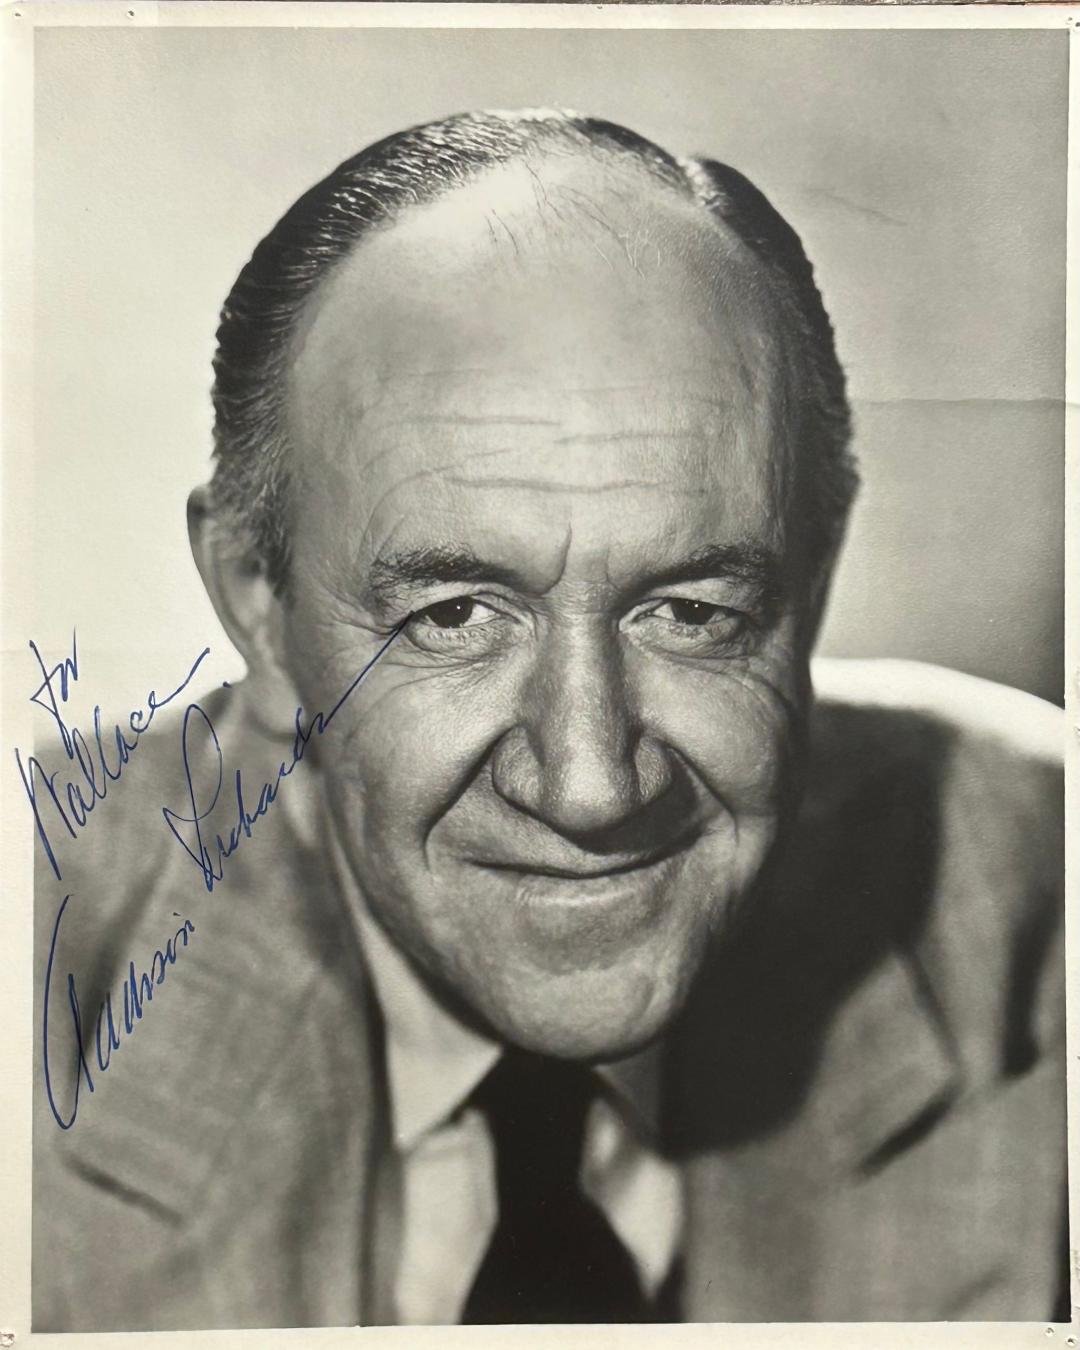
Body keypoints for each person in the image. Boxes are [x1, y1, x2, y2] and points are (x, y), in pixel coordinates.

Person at [32, 109, 1066, 1329]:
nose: (590, 786)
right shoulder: (37, 966)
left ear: (815, 578)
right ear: (259, 602)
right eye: (455, 615)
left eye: (692, 611)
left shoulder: (1045, 912)